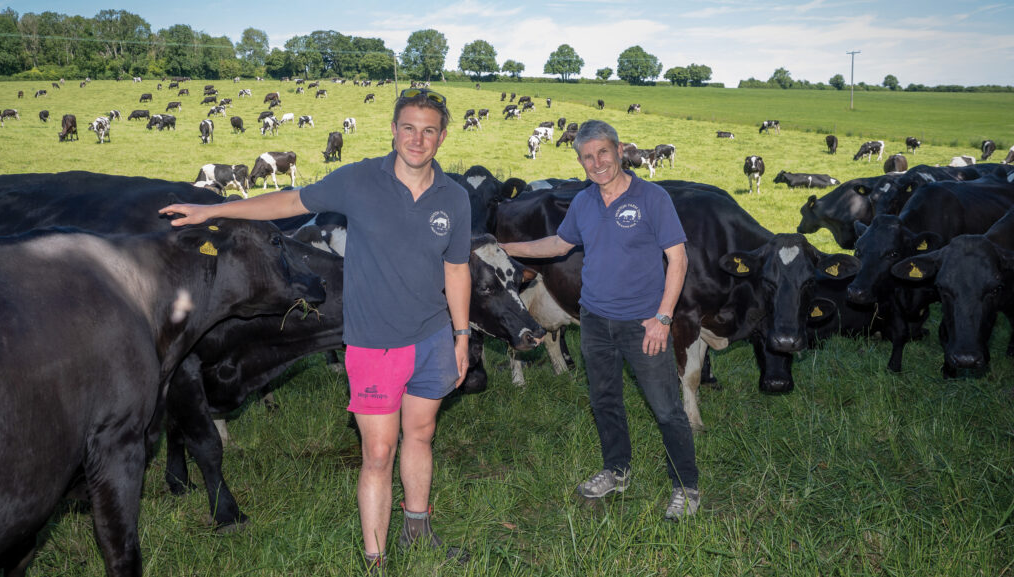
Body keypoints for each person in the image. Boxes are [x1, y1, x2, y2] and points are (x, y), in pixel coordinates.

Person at [159, 88, 471, 574]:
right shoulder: (359, 180)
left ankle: (418, 531)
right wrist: (211, 211)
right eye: (409, 127)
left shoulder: (454, 197)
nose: (418, 138)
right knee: (378, 451)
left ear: (442, 136)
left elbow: (456, 270)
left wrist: (461, 336)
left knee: (422, 434)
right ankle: (376, 561)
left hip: (432, 337)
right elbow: (288, 201)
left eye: (429, 130)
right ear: (393, 129)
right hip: (374, 344)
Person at [498, 120, 700, 520]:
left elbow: (678, 259)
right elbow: (559, 243)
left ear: (620, 150)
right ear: (580, 159)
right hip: (593, 320)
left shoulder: (652, 197)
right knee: (605, 400)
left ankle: (686, 486)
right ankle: (616, 470)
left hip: (644, 323)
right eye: (587, 156)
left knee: (666, 408)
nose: (597, 162)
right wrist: (505, 247)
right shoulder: (585, 202)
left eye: (603, 152)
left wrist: (663, 318)